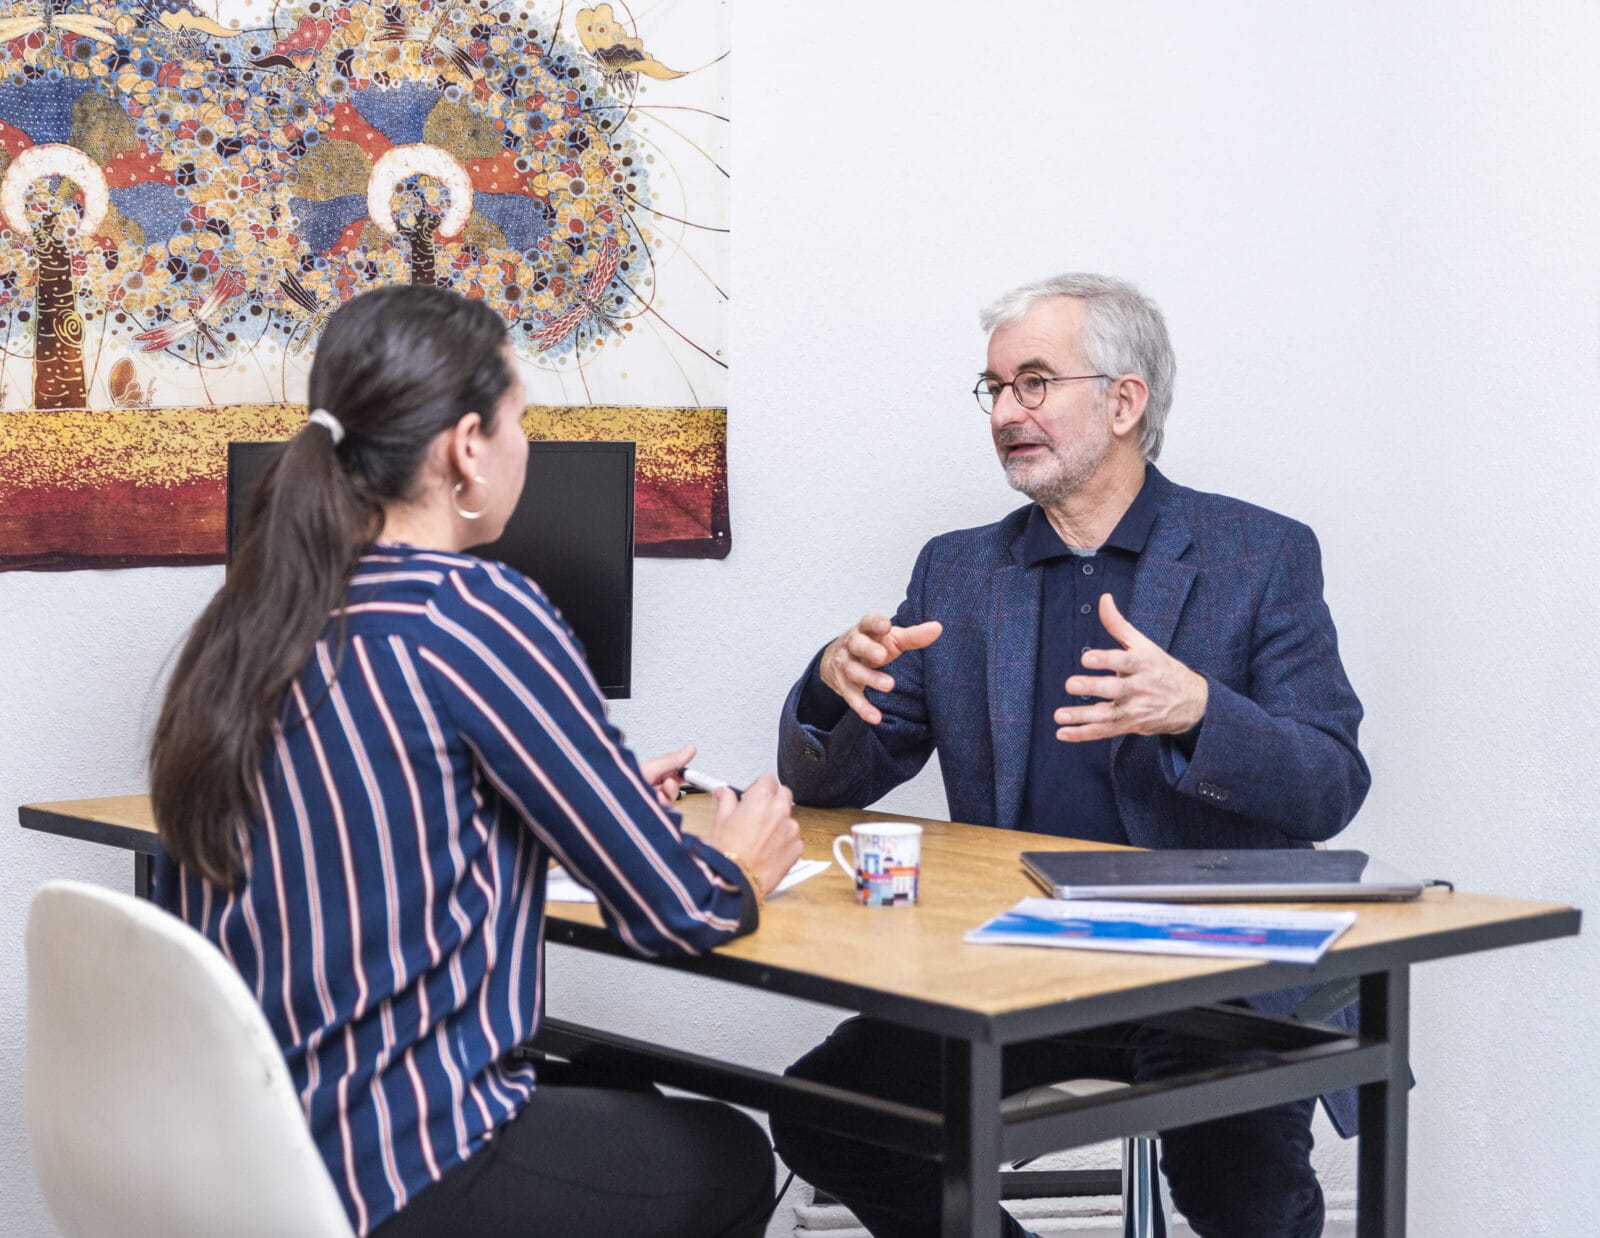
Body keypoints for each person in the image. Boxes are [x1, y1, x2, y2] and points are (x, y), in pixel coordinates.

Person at [149, 284, 802, 1238]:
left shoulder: (251, 622)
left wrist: (598, 798)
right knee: (730, 1153)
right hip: (392, 1164)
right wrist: (738, 862)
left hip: (247, 1154)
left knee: (618, 1085)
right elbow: (674, 910)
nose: (525, 446)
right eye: (521, 420)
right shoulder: (471, 611)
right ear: (465, 447)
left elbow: (386, 800)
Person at [770, 274, 1370, 1238]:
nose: (1006, 412)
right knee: (827, 1115)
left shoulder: (1259, 555)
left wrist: (1197, 711)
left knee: (1239, 1189)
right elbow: (833, 786)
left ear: (1124, 401)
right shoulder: (959, 570)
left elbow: (1330, 785)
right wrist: (826, 685)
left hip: (1209, 968)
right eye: (995, 387)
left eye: (1035, 382)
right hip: (1020, 963)